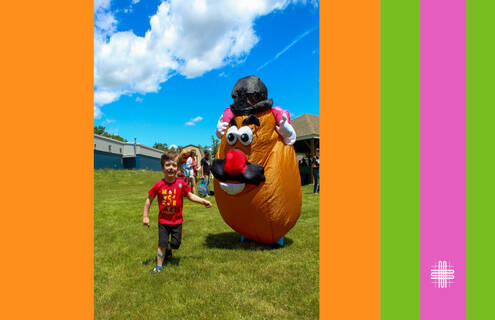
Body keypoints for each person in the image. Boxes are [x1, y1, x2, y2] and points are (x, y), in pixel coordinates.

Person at [142, 151, 212, 273]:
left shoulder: (181, 184)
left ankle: (169, 248)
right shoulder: (159, 185)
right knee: (161, 244)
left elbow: (190, 195)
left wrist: (202, 201)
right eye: (167, 165)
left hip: (177, 222)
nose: (171, 168)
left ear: (178, 168)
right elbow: (149, 199)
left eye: (174, 165)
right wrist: (145, 216)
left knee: (176, 244)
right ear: (162, 168)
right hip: (163, 222)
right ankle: (158, 266)